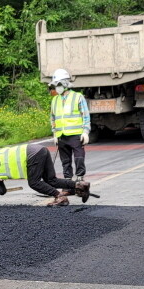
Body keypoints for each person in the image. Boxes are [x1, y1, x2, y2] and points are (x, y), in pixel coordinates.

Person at [0, 144, 91, 206]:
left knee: (34, 182)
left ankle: (59, 197)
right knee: (51, 180)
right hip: (41, 150)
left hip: (33, 154)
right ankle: (80, 185)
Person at [49, 68, 91, 197]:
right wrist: (55, 133)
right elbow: (53, 118)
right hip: (62, 136)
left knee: (79, 160)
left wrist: (85, 132)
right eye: (56, 85)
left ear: (66, 83)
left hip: (76, 135)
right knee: (65, 162)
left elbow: (85, 115)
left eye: (59, 84)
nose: (57, 87)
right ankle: (68, 186)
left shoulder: (77, 97)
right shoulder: (55, 100)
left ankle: (80, 184)